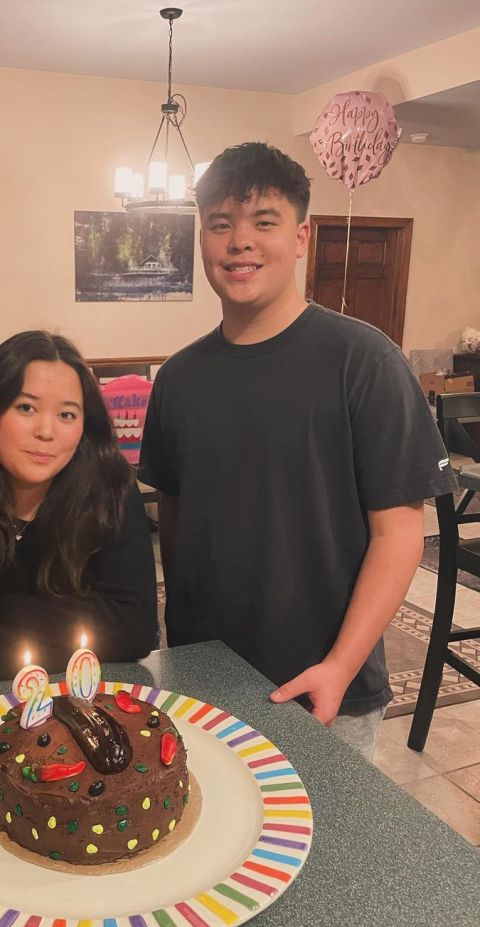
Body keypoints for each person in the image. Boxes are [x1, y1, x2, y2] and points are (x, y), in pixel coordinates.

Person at [138, 141, 456, 759]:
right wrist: (180, 651)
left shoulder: (363, 362)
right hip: (205, 678)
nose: (240, 242)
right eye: (220, 224)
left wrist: (339, 665)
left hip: (324, 684)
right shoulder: (178, 378)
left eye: (264, 222)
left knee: (327, 853)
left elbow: (400, 536)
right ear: (201, 238)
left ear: (303, 235)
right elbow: (173, 524)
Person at [0, 331, 158, 682]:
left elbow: (136, 632)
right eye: (26, 408)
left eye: (67, 415)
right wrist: (84, 626)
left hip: (95, 700)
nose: (46, 431)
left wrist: (8, 608)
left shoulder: (111, 490)